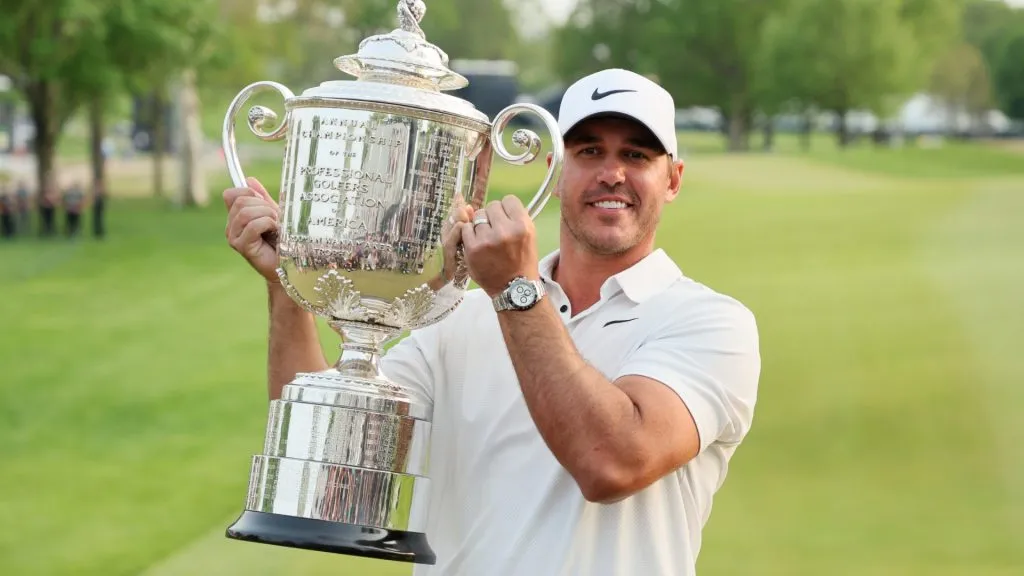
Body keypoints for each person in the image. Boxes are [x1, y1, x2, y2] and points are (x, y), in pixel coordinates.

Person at [224, 68, 761, 576]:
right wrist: (287, 287)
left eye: (637, 154)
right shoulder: (461, 314)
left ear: (673, 179)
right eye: (589, 150)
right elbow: (329, 464)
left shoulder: (711, 324)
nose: (611, 173)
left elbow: (611, 463)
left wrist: (512, 290)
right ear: (555, 170)